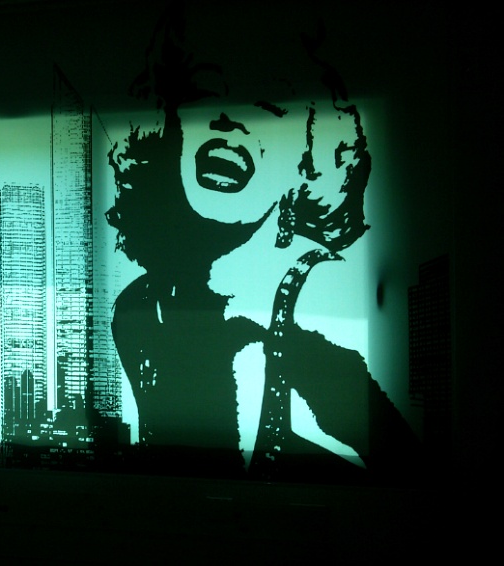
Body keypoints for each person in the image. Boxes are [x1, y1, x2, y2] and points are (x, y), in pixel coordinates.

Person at [107, 1, 419, 482]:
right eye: (203, 96)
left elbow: (413, 480)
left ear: (308, 156)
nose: (226, 119)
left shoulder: (322, 306)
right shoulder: (139, 309)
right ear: (173, 130)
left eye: (269, 104)